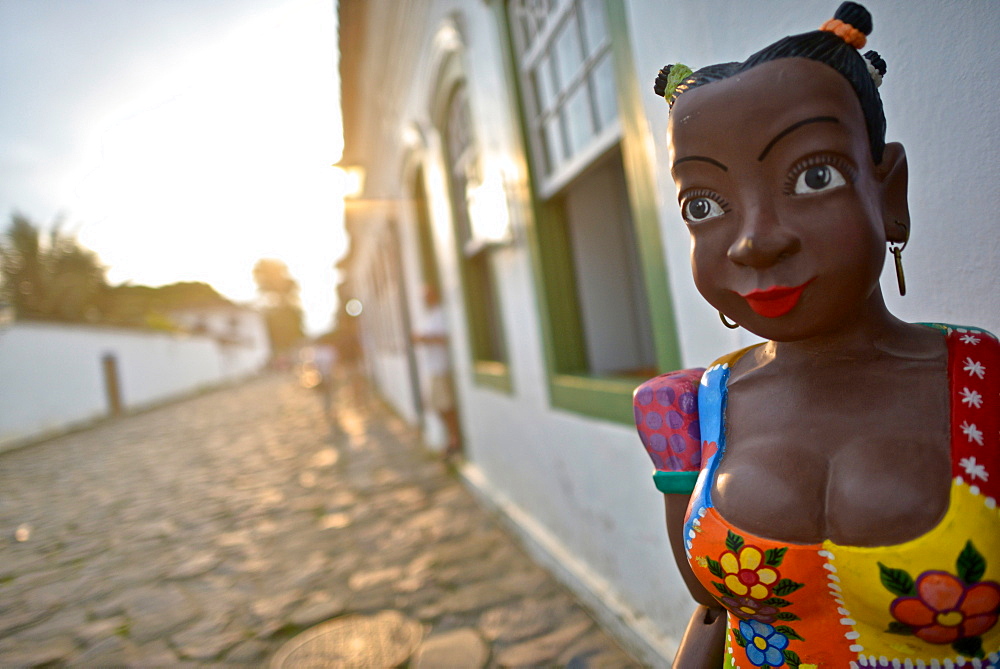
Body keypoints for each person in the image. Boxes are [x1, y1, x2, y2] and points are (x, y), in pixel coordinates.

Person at [634, 3, 999, 667]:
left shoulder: (985, 386)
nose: (754, 239)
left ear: (891, 193)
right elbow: (716, 615)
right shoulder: (688, 407)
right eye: (704, 205)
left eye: (814, 175)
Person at [413, 285, 461, 457]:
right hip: (432, 368)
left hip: (441, 366)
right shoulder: (430, 316)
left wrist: (423, 338)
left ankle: (455, 438)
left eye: (426, 296)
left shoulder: (441, 314)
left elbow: (445, 337)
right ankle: (452, 437)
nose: (424, 300)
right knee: (437, 406)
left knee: (445, 405)